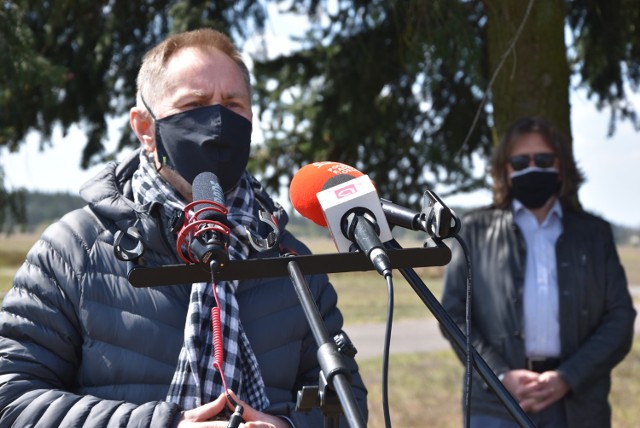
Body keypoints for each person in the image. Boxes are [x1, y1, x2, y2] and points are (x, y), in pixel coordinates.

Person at [0, 28, 368, 427]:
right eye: (194, 104)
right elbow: (12, 398)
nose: (217, 122)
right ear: (145, 128)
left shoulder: (290, 259)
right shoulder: (74, 250)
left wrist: (286, 426)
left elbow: (348, 404)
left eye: (233, 104)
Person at [441, 116, 636, 428]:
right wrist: (500, 375)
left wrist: (568, 377)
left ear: (560, 166)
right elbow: (452, 314)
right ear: (505, 170)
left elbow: (620, 317)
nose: (532, 167)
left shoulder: (594, 234)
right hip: (495, 405)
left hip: (578, 405)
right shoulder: (474, 231)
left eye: (543, 159)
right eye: (520, 161)